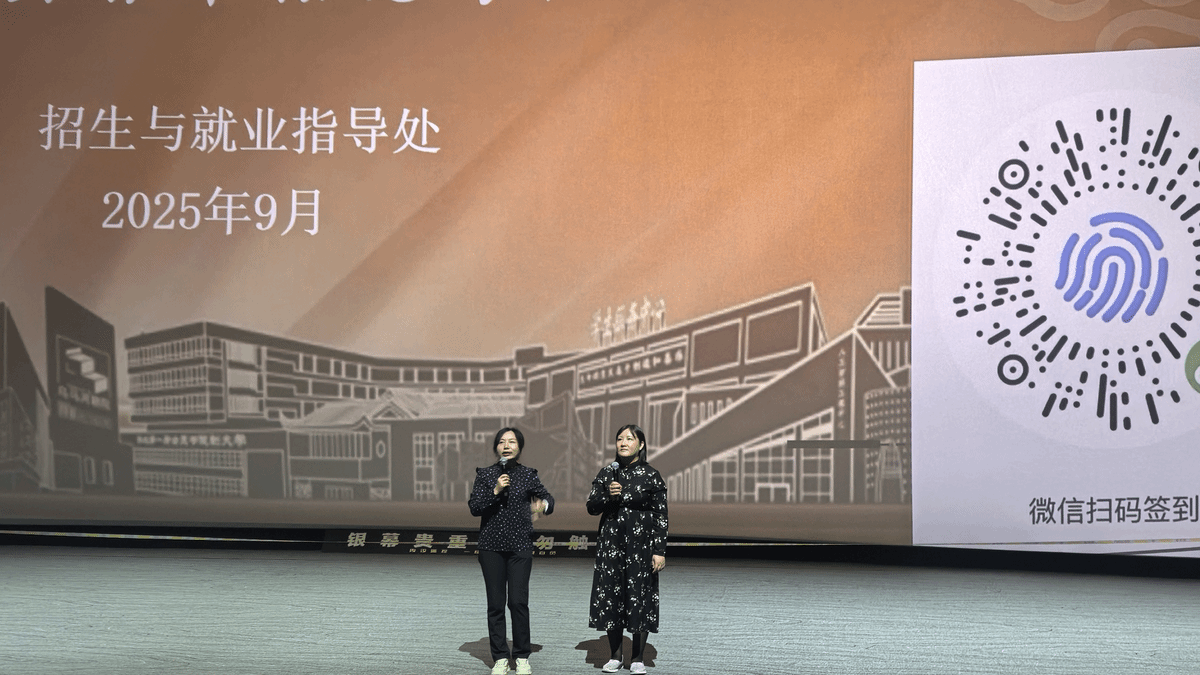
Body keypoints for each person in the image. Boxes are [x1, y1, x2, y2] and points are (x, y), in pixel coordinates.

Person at [469, 427, 555, 675]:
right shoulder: (486, 475)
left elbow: (548, 499)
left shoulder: (528, 475)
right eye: (502, 442)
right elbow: (475, 507)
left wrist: (543, 505)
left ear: (520, 447)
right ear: (496, 447)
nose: (506, 446)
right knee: (495, 605)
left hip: (520, 547)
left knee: (518, 602)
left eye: (512, 442)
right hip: (491, 547)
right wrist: (495, 490)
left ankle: (522, 656)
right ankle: (500, 658)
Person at [586, 424, 668, 675]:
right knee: (611, 596)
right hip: (611, 544)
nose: (623, 443)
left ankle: (638, 658)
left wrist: (659, 550)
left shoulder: (651, 475)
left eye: (629, 439)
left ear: (640, 445)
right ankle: (615, 656)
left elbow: (661, 515)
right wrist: (608, 496)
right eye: (619, 438)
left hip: (641, 547)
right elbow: (591, 507)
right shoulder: (607, 473)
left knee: (639, 596)